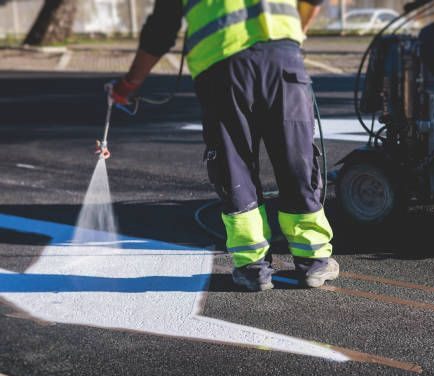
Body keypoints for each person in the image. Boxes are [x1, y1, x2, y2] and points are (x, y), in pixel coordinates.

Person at [110, 0, 339, 291]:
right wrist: (293, 36)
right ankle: (314, 261)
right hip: (282, 58)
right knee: (297, 158)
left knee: (235, 164)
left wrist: (130, 84)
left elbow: (161, 29)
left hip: (221, 65)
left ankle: (252, 267)